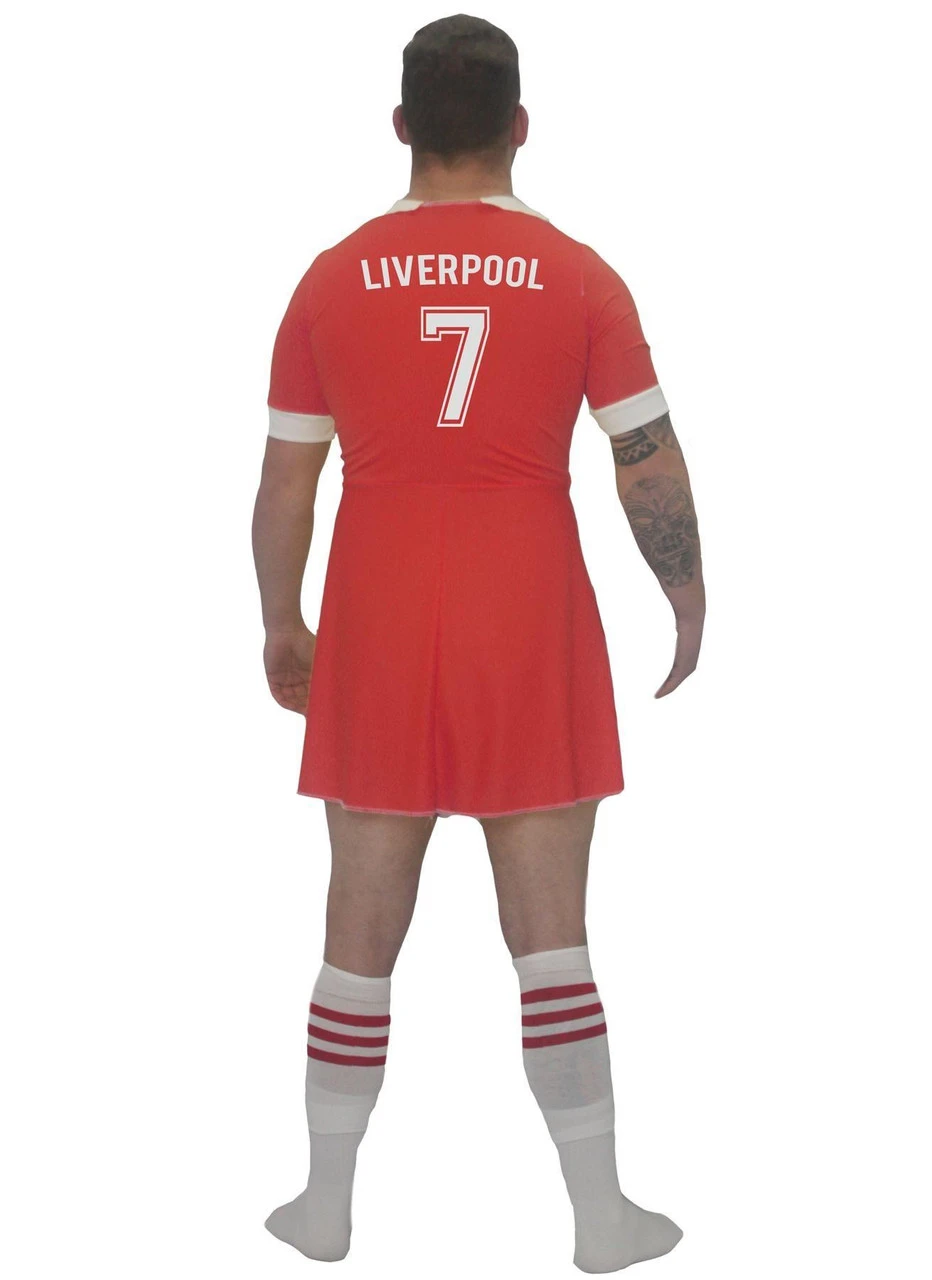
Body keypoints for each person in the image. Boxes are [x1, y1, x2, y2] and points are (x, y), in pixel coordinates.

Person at [251, 13, 704, 1272]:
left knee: (355, 925)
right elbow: (644, 458)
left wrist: (281, 620)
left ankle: (324, 1205)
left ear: (400, 126)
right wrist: (685, 595)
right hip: (526, 610)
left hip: (380, 611)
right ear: (519, 125)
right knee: (550, 931)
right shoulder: (579, 275)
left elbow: (285, 485)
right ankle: (600, 1216)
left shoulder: (329, 278)